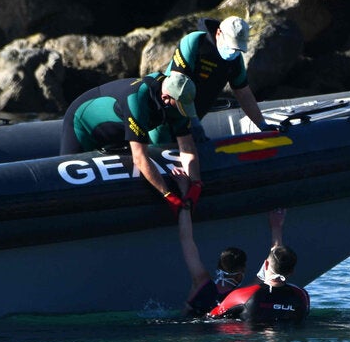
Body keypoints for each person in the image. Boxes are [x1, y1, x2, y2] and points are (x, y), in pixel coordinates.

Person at [59, 71, 202, 213]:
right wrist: (167, 194)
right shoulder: (137, 100)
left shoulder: (177, 102)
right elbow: (139, 158)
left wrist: (196, 184)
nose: (181, 111)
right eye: (179, 106)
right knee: (67, 191)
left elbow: (187, 146)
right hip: (83, 124)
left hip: (118, 129)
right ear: (165, 98)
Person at [151, 16, 276, 144]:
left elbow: (243, 93)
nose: (233, 52)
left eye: (238, 49)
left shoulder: (235, 60)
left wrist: (262, 125)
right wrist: (194, 122)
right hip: (164, 117)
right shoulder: (196, 42)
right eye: (231, 46)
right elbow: (178, 85)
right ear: (218, 33)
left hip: (190, 125)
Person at [208, 208, 310, 324]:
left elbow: (211, 317)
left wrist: (276, 227)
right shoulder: (302, 295)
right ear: (292, 272)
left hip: (252, 338)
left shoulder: (242, 295)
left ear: (266, 264)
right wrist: (277, 228)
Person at [175, 178, 248, 316]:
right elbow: (272, 268)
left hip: (186, 330)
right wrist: (276, 229)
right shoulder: (240, 298)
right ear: (240, 274)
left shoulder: (201, 281)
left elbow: (186, 239)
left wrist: (184, 191)